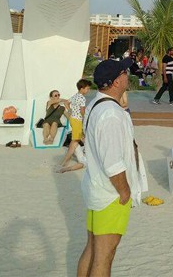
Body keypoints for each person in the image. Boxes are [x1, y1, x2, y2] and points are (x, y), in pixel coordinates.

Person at [77, 58, 146, 277]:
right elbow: (113, 161)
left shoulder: (96, 105)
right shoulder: (111, 114)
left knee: (93, 248)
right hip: (110, 194)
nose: (127, 75)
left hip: (97, 187)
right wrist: (124, 191)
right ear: (116, 82)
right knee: (104, 256)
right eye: (124, 73)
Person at [60, 79, 92, 171]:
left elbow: (66, 103)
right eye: (87, 88)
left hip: (72, 119)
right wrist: (86, 119)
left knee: (78, 138)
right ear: (82, 88)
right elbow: (82, 111)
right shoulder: (82, 98)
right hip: (77, 120)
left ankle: (67, 159)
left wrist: (70, 110)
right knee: (75, 140)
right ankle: (66, 160)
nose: (88, 90)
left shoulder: (75, 95)